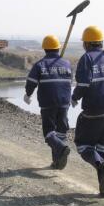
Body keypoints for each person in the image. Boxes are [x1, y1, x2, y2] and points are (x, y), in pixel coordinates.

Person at [71, 25, 104, 198]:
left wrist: (75, 97)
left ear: (86, 43)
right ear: (100, 42)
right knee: (103, 148)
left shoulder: (87, 58)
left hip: (94, 110)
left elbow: (83, 84)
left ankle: (101, 165)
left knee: (84, 145)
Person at [24, 34, 72, 169]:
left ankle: (61, 148)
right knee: (61, 132)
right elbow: (69, 82)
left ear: (44, 49)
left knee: (49, 133)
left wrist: (28, 95)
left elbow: (31, 82)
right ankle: (57, 161)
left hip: (48, 103)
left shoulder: (40, 65)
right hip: (64, 102)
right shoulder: (67, 64)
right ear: (58, 48)